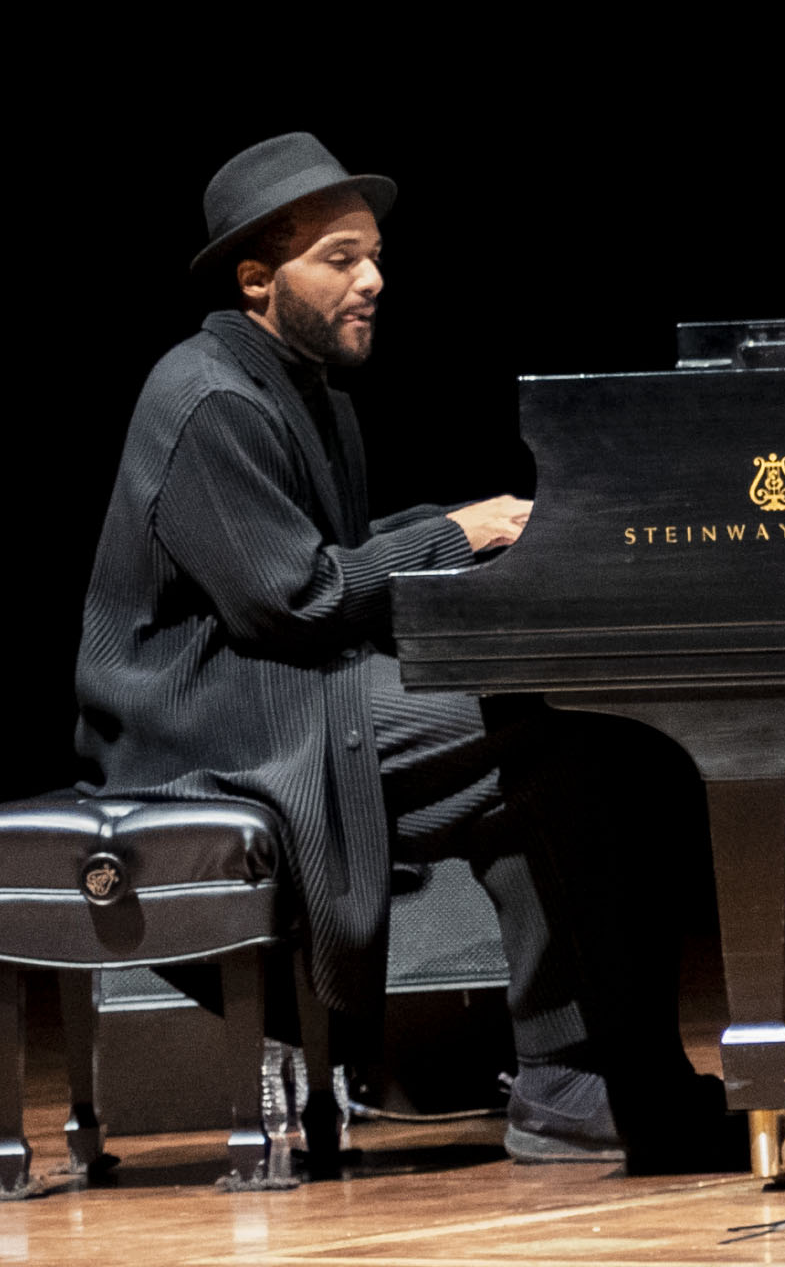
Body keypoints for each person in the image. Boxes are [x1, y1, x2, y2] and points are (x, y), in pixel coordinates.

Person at [78, 134, 702, 1162]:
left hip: (285, 689)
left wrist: (461, 523)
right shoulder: (209, 398)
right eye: (338, 256)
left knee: (563, 752)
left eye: (373, 252)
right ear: (256, 277)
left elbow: (330, 561)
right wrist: (458, 534)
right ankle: (575, 1075)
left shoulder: (307, 391)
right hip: (209, 726)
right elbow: (293, 599)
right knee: (543, 723)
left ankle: (580, 1075)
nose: (373, 276)